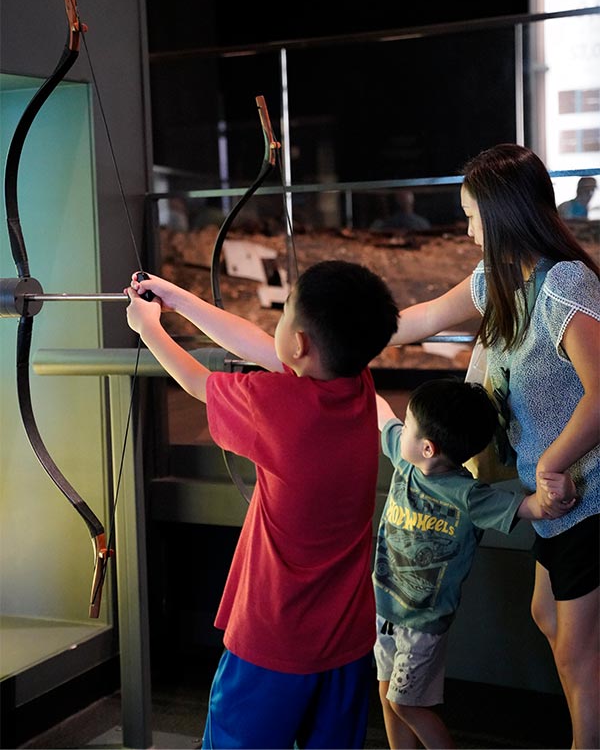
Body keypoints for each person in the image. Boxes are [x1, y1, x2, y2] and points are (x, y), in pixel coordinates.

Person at [125, 260, 399, 750]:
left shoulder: (276, 404)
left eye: (283, 314)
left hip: (273, 639)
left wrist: (149, 330)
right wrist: (179, 300)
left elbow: (194, 381)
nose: (273, 327)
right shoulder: (358, 385)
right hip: (347, 640)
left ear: (299, 344)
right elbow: (255, 342)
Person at [390, 143, 600, 749]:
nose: (468, 227)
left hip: (586, 497)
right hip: (555, 499)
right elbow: (425, 316)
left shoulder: (565, 283)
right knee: (548, 618)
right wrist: (343, 329)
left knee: (576, 657)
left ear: (503, 213)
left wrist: (556, 462)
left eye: (472, 213)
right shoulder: (498, 280)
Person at [373, 379, 575, 750]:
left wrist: (554, 496)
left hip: (424, 623)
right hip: (386, 608)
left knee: (406, 703)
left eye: (409, 422)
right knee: (388, 694)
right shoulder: (406, 457)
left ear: (428, 448)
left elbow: (528, 508)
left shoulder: (467, 494)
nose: (401, 426)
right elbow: (381, 413)